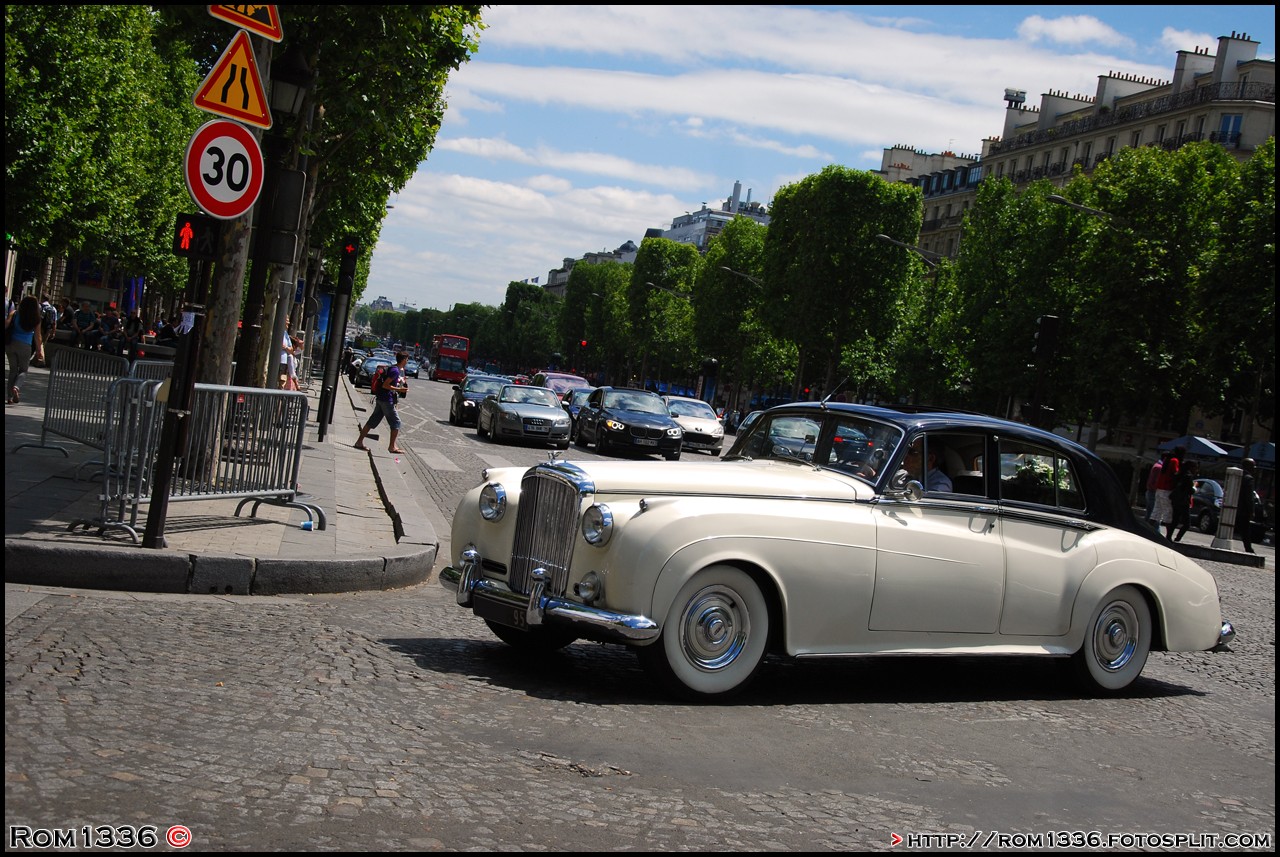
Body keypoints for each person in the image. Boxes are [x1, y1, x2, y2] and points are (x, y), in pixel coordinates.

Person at [354, 351, 409, 454]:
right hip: (386, 400)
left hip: (381, 398)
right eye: (406, 359)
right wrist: (399, 389)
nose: (407, 361)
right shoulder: (395, 371)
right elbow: (385, 385)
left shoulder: (394, 368)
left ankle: (359, 442)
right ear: (403, 360)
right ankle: (392, 447)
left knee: (372, 421)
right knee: (396, 422)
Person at [6, 295, 44, 404]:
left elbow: (6, 324)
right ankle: (17, 387)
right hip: (25, 346)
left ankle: (9, 397)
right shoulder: (36, 319)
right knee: (23, 370)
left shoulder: (14, 313)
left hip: (10, 344)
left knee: (13, 370)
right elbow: (38, 336)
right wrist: (39, 351)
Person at [1151, 447, 1182, 529]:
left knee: (1156, 511)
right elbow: (1175, 473)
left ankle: (1147, 530)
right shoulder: (1174, 461)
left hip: (1159, 488)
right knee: (1168, 513)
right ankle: (1168, 536)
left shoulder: (1167, 460)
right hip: (1166, 488)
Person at [1167, 459, 1197, 542]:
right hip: (1183, 501)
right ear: (1191, 467)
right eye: (1195, 468)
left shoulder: (1179, 474)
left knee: (1175, 520)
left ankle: (1168, 537)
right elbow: (1190, 490)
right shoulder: (1188, 476)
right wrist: (1194, 487)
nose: (1196, 470)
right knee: (1187, 523)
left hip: (1175, 500)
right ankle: (1177, 539)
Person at [1238, 458, 1257, 554]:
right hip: (1243, 509)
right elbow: (1249, 497)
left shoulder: (1238, 476)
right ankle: (1248, 549)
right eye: (1253, 466)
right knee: (1245, 530)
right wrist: (1251, 510)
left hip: (1233, 507)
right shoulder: (1248, 478)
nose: (1254, 468)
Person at [1144, 456, 1163, 525]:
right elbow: (1155, 481)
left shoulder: (1156, 465)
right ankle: (1155, 531)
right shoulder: (1159, 468)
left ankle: (1144, 529)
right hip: (1153, 493)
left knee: (1149, 513)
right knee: (1154, 514)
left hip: (1150, 492)